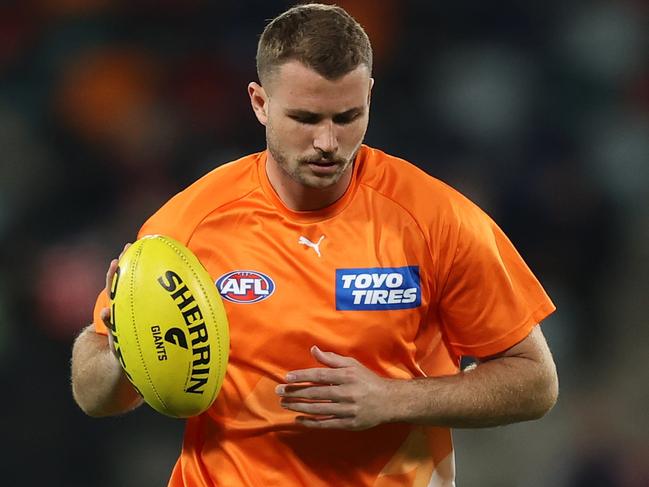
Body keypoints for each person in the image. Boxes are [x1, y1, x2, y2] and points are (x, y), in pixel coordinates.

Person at [70, 4, 559, 486]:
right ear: (260, 103)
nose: (327, 141)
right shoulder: (188, 226)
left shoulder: (436, 219)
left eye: (347, 116)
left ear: (369, 94)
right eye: (304, 118)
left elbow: (535, 382)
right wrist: (122, 353)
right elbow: (93, 395)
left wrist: (395, 399)